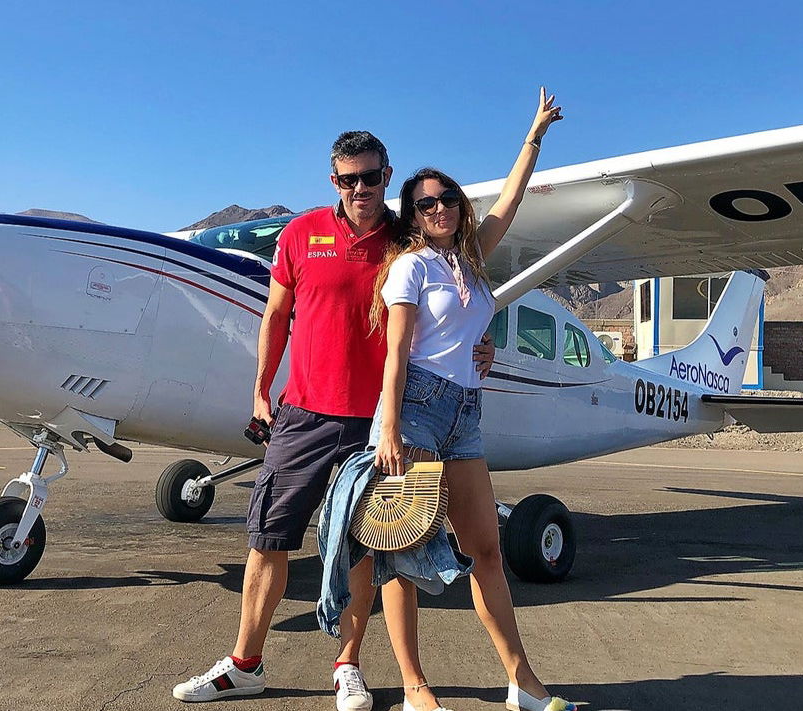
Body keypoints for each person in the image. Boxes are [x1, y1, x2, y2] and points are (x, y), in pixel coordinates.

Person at [174, 131, 493, 710]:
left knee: (362, 546)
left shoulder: (409, 238)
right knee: (269, 538)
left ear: (386, 174)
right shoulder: (301, 233)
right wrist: (260, 392)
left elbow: (457, 284)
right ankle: (244, 663)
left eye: (371, 177)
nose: (362, 189)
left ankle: (348, 665)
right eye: (350, 179)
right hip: (303, 413)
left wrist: (482, 340)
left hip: (378, 424)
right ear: (334, 181)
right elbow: (277, 313)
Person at [370, 88, 571, 711]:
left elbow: (509, 200)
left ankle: (522, 680)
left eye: (447, 198)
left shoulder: (472, 260)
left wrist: (533, 135)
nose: (438, 208)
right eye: (425, 203)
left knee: (485, 547)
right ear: (412, 214)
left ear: (459, 204)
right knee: (400, 551)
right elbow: (398, 351)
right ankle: (414, 685)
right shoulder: (412, 267)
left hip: (465, 410)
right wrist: (390, 426)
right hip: (419, 407)